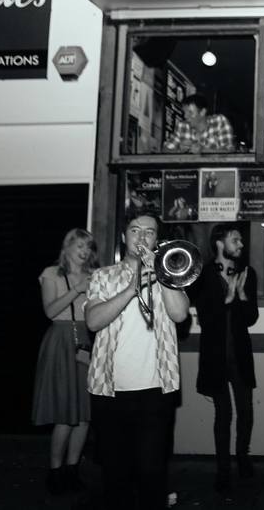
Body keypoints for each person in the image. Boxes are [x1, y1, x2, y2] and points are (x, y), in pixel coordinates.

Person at [85, 212, 190, 510]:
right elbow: (93, 321)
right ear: (123, 236)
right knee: (115, 473)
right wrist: (132, 289)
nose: (141, 237)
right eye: (135, 230)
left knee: (152, 472)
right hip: (109, 390)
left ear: (157, 240)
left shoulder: (170, 273)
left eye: (149, 232)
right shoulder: (102, 276)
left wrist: (163, 277)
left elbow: (180, 315)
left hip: (156, 391)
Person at [31, 228, 98, 495]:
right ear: (67, 247)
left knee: (84, 414)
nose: (84, 252)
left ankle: (72, 470)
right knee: (65, 414)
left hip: (87, 339)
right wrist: (78, 289)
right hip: (61, 338)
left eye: (88, 247)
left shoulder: (94, 275)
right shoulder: (52, 273)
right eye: (79, 246)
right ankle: (55, 471)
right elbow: (50, 311)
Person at [193, 224, 259, 494]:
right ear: (220, 243)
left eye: (241, 240)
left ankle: (243, 458)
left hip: (240, 356)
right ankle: (223, 471)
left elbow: (251, 318)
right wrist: (227, 298)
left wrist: (241, 296)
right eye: (236, 240)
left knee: (246, 412)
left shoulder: (247, 273)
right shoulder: (203, 274)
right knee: (224, 415)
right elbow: (206, 320)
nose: (241, 244)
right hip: (215, 358)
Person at [163, 94, 235, 153]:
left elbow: (229, 151)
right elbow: (165, 150)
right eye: (185, 112)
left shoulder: (219, 121)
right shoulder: (182, 126)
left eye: (190, 112)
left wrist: (203, 150)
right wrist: (179, 150)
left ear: (202, 112)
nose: (185, 116)